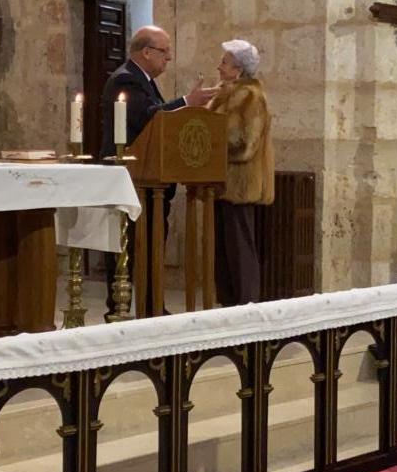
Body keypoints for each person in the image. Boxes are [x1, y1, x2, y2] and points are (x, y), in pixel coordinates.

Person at [100, 25, 216, 315]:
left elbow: (158, 122)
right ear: (147, 52)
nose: (169, 58)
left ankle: (152, 306)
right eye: (165, 51)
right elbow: (148, 117)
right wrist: (187, 102)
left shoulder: (144, 80)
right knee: (128, 246)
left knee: (150, 246)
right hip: (131, 178)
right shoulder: (126, 79)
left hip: (150, 181)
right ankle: (120, 307)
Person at [208, 39, 274, 306]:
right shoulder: (225, 93)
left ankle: (246, 305)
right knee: (224, 250)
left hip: (240, 184)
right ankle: (227, 304)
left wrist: (210, 143)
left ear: (238, 70)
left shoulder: (249, 96)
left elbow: (244, 143)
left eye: (224, 62)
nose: (219, 66)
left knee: (239, 248)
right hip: (221, 182)